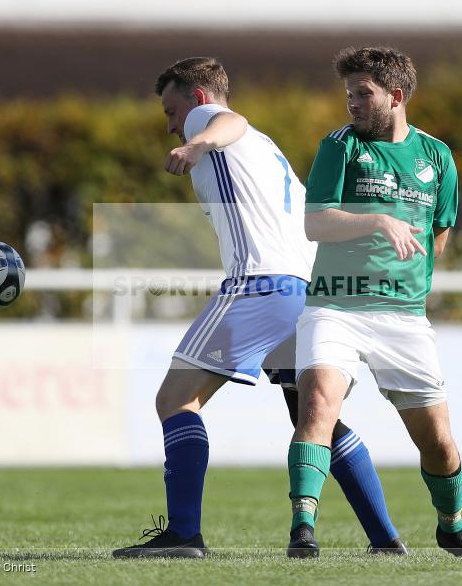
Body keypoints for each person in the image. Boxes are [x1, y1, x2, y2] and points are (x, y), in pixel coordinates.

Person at [113, 57, 405, 559]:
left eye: (172, 110)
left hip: (259, 284)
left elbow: (230, 121)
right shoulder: (268, 150)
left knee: (175, 400)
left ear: (199, 99)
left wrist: (196, 141)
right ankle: (385, 539)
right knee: (317, 420)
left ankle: (183, 535)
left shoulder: (212, 123)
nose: (169, 123)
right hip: (307, 292)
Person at [284, 46, 462, 559]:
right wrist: (378, 220)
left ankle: (451, 524)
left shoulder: (437, 157)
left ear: (396, 97)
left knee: (438, 442)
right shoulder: (340, 146)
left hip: (403, 318)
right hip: (335, 309)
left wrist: (409, 279)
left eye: (363, 93)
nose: (351, 102)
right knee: (316, 405)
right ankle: (303, 528)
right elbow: (315, 222)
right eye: (348, 93)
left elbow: (440, 233)